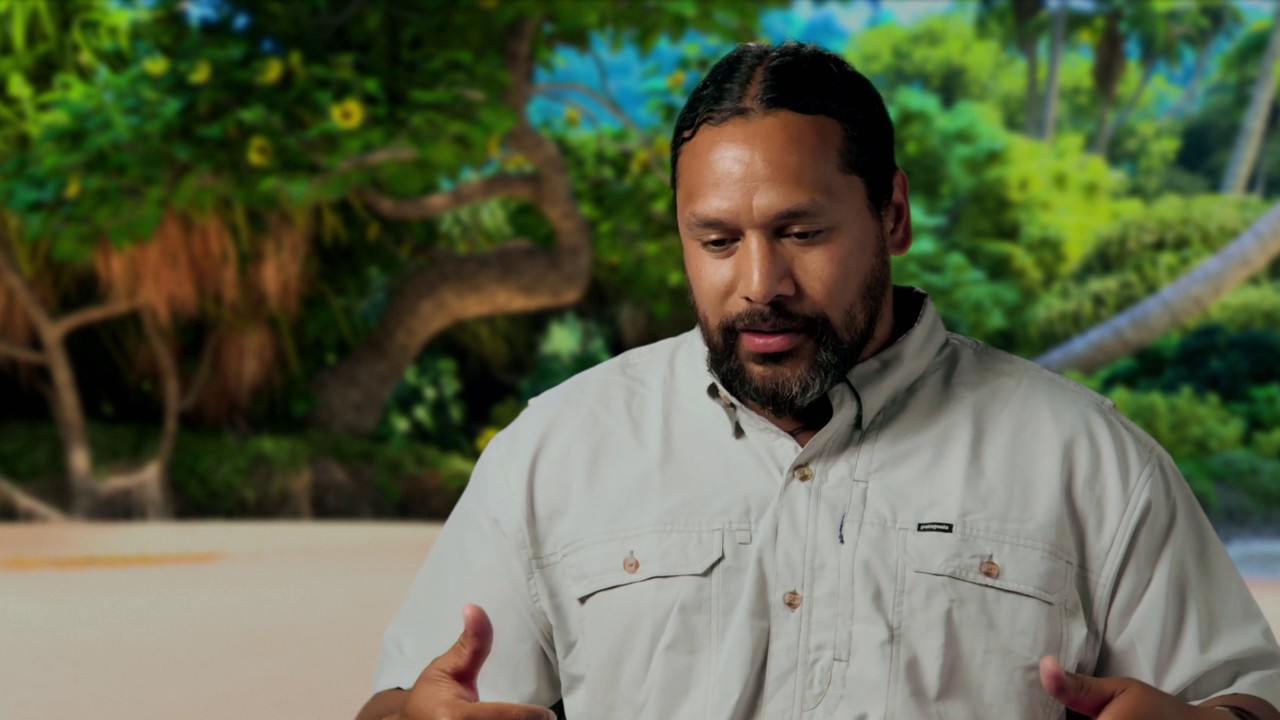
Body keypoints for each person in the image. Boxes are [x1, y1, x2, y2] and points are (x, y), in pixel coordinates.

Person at [355, 41, 1280, 720]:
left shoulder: (1088, 458)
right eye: (717, 240)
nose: (760, 284)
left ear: (893, 213)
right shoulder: (553, 453)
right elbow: (403, 700)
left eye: (802, 233)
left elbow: (1245, 695)